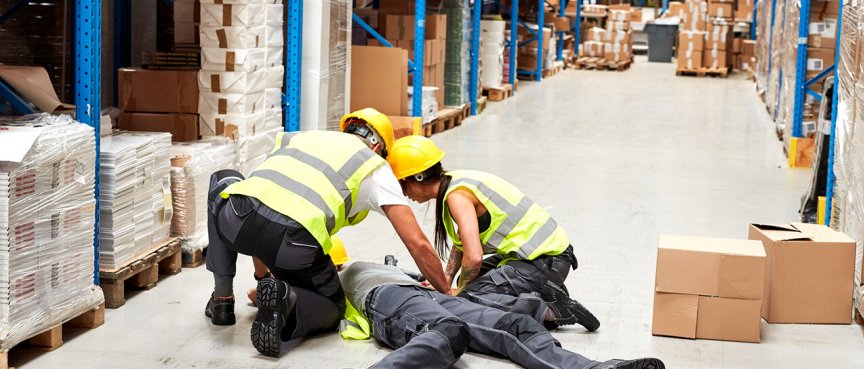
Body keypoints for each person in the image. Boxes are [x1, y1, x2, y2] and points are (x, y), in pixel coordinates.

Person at [203, 108, 450, 358]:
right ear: (378, 148)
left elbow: (263, 196)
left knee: (223, 181)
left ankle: (222, 300)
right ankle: (287, 300)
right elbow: (417, 242)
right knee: (333, 306)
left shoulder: (300, 137)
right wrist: (446, 291)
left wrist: (262, 277)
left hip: (238, 221)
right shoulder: (374, 165)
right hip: (294, 244)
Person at [385, 135, 599, 331]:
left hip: (545, 261)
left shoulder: (457, 197)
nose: (403, 192)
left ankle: (552, 311)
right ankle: (547, 293)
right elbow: (463, 244)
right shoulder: (455, 182)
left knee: (468, 298)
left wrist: (458, 292)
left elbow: (474, 257)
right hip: (541, 259)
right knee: (467, 283)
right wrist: (447, 281)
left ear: (417, 177)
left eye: (402, 183)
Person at [340, 261, 666, 369]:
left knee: (517, 325)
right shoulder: (346, 274)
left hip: (423, 294)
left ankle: (593, 368)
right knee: (448, 331)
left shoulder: (380, 267)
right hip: (388, 298)